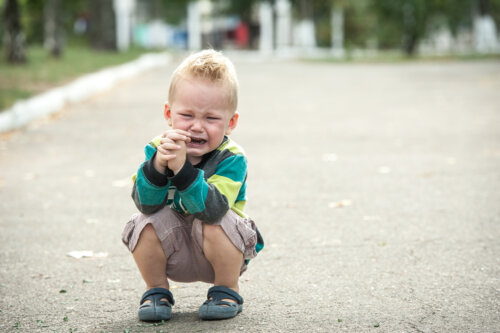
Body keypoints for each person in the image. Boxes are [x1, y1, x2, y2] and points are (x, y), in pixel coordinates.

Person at [121, 49, 264, 322]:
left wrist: (183, 170)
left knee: (215, 220)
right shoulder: (158, 149)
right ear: (169, 113)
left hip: (221, 253)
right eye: (187, 115)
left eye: (211, 118)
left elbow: (212, 209)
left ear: (231, 122)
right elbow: (145, 203)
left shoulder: (231, 158)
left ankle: (227, 290)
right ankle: (156, 290)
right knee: (143, 220)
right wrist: (158, 167)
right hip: (174, 249)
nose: (197, 127)